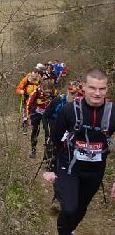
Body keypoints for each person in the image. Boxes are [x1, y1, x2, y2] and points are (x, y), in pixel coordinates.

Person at [43, 69, 115, 235]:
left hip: (95, 170)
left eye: (102, 89)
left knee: (81, 208)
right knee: (69, 208)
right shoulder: (69, 110)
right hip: (69, 167)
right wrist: (51, 167)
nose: (97, 93)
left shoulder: (112, 112)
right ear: (83, 87)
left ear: (107, 89)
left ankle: (70, 230)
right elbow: (55, 139)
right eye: (92, 88)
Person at [26, 79, 56, 158]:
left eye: (49, 92)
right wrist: (27, 116)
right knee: (36, 130)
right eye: (46, 92)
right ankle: (33, 150)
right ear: (42, 88)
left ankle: (47, 154)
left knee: (48, 133)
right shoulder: (36, 92)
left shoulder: (54, 93)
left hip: (48, 115)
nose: (48, 94)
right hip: (37, 113)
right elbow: (28, 104)